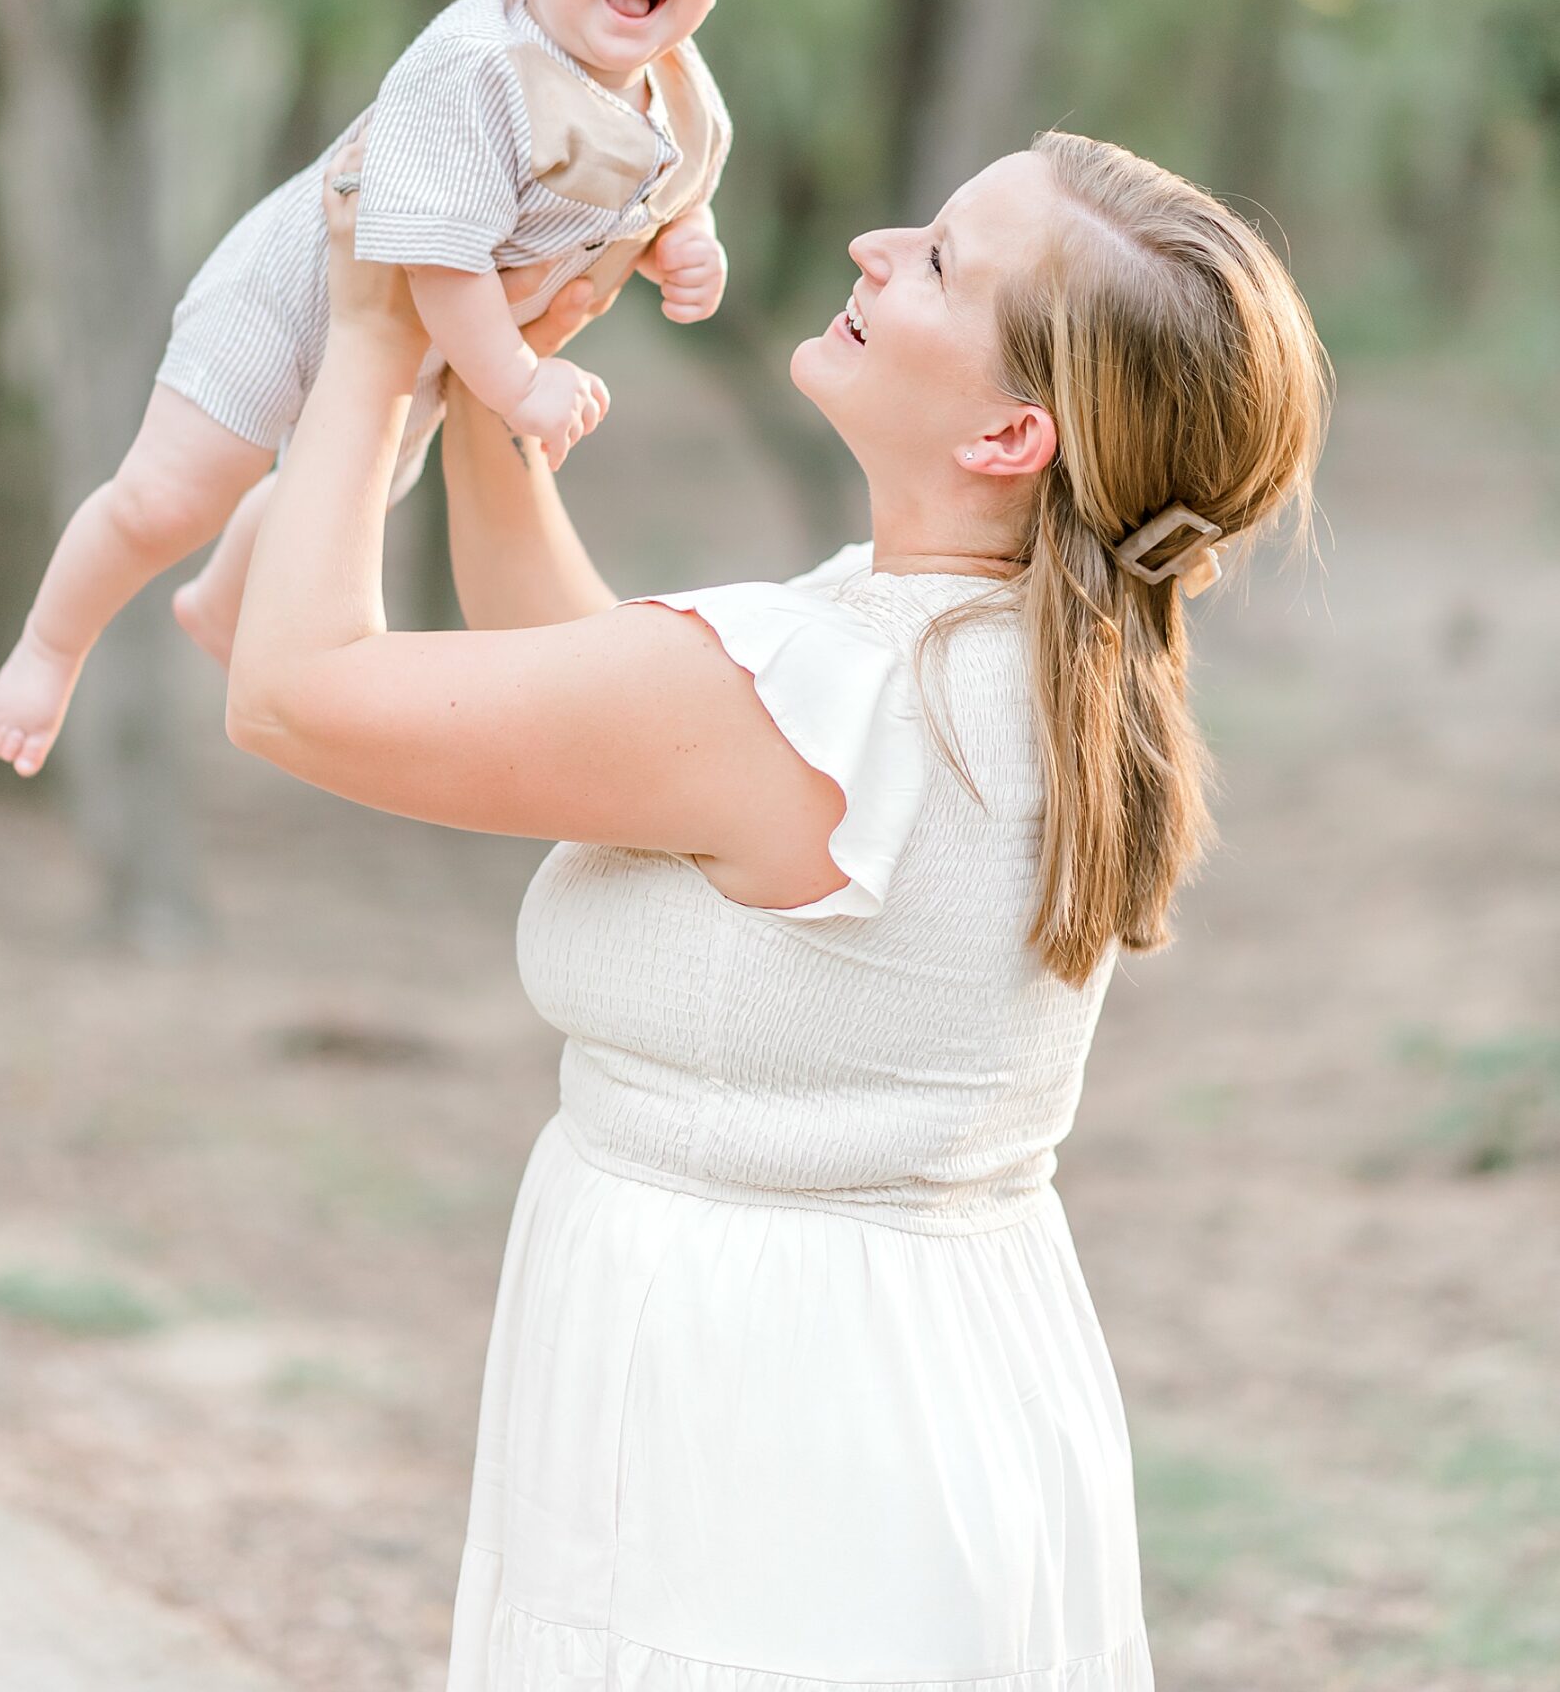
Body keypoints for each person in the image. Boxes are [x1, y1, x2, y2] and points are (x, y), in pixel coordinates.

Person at [225, 127, 1331, 1692]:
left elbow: (291, 698)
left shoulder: (837, 686)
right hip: (926, 1373)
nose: (879, 244)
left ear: (1017, 433)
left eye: (942, 258)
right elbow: (608, 712)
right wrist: (492, 405)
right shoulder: (1010, 661)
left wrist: (368, 335)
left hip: (755, 1423)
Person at [0, 0, 739, 778]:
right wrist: (515, 383)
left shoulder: (682, 94)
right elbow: (432, 263)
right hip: (297, 296)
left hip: (431, 343)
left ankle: (222, 603)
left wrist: (690, 246)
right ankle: (48, 643)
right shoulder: (475, 71)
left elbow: (670, 198)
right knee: (169, 498)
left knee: (341, 494)